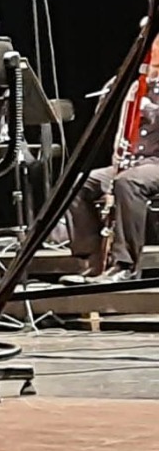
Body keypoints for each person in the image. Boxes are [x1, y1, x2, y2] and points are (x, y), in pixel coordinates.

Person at [63, 44, 159, 284]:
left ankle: (124, 266)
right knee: (78, 183)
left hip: (155, 163)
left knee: (128, 182)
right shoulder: (137, 84)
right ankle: (94, 261)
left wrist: (151, 106)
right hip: (132, 161)